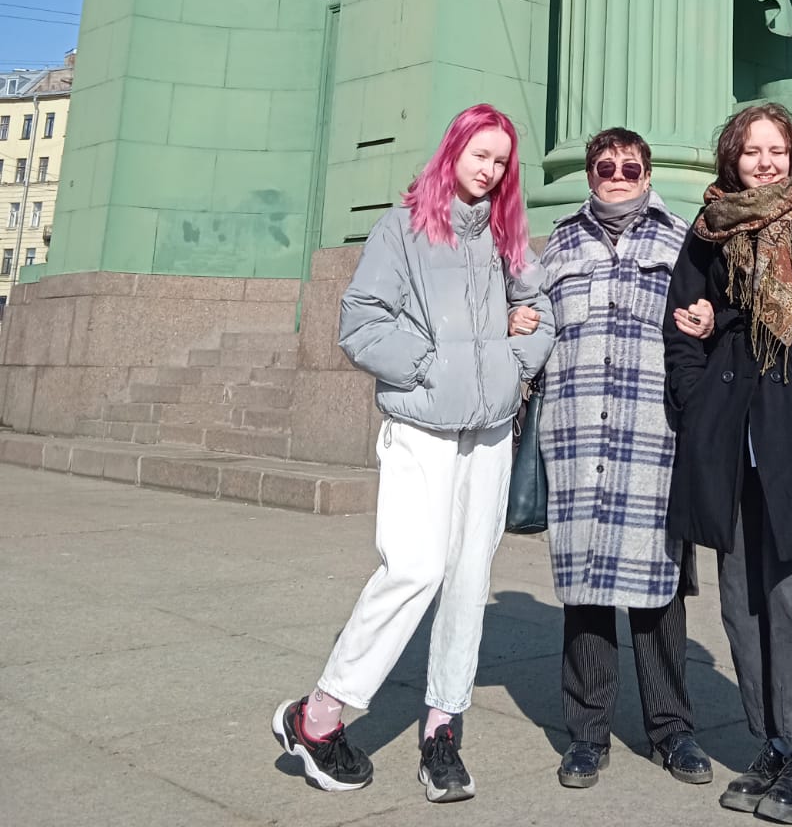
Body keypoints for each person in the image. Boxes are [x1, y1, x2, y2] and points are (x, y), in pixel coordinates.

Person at [272, 104, 554, 802]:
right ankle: (318, 715)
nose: (489, 170)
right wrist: (433, 365)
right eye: (480, 154)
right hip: (423, 425)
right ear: (453, 150)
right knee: (415, 569)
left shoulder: (507, 236)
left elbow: (541, 311)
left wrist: (514, 358)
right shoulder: (401, 229)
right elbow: (361, 323)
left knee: (468, 580)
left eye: (501, 161)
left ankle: (442, 731)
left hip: (490, 431)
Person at [663, 103, 792, 823]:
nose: (765, 162)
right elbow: (683, 320)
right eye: (752, 151)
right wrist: (694, 397)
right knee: (743, 606)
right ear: (733, 158)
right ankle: (775, 743)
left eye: (776, 150)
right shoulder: (708, 230)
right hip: (730, 438)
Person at [539, 128, 714, 789]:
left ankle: (673, 730)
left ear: (647, 173)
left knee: (657, 593)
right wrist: (519, 322)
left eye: (630, 166)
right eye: (605, 166)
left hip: (653, 438)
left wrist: (710, 323)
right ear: (590, 174)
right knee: (585, 592)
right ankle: (587, 735)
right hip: (579, 439)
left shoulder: (682, 241)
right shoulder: (560, 242)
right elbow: (536, 322)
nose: (617, 175)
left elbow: (708, 325)